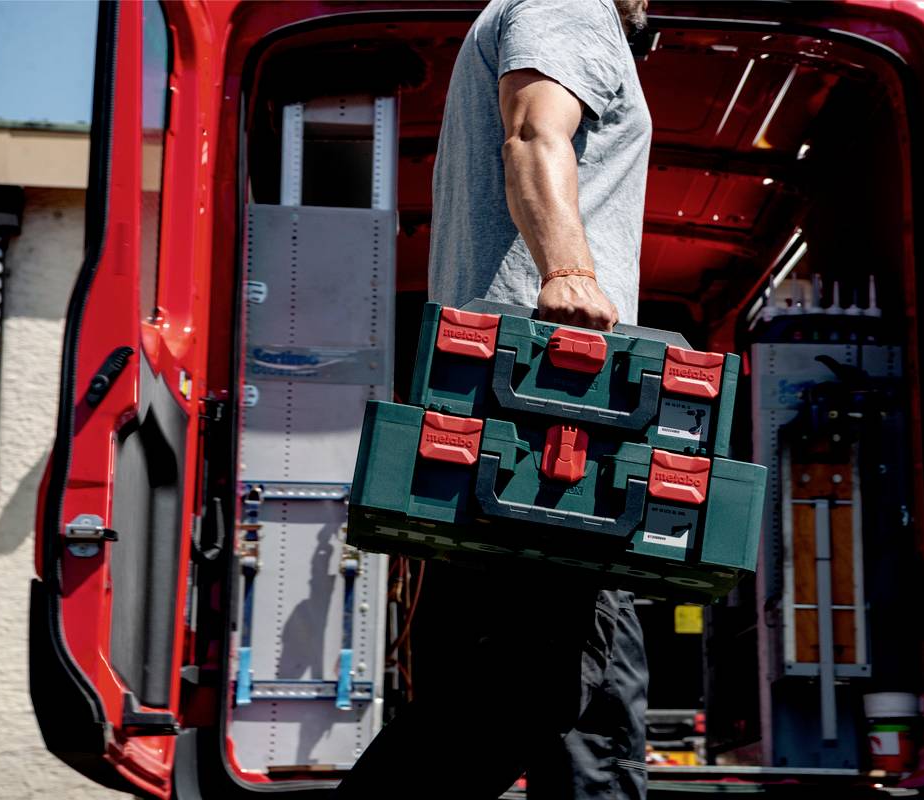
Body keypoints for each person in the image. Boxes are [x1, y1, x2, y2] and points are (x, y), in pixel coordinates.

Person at [335, 0, 652, 796]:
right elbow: (533, 129)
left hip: (516, 413)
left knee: (579, 697)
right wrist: (569, 268)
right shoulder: (570, 4)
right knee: (541, 686)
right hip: (547, 407)